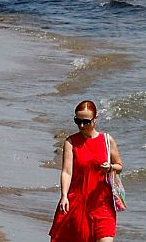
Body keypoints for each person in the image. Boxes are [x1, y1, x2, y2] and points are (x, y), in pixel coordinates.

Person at [50, 100, 123, 242]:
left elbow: (119, 166)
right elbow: (67, 172)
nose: (81, 126)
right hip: (78, 202)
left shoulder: (107, 140)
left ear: (95, 119)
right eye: (78, 121)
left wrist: (110, 167)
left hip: (103, 203)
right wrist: (64, 196)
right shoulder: (71, 142)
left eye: (86, 121)